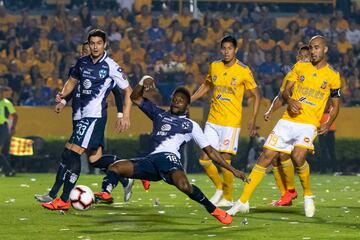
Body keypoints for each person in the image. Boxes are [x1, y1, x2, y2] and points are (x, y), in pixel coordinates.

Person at [104, 75, 248, 225]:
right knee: (115, 167)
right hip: (150, 160)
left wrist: (232, 169)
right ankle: (105, 193)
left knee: (185, 186)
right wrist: (143, 81)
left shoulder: (190, 125)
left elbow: (211, 151)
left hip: (169, 159)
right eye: (174, 99)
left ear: (187, 106)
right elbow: (135, 98)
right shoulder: (158, 114)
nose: (176, 102)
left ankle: (214, 210)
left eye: (181, 100)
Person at [227, 35, 341, 218]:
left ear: (325, 49)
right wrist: (291, 99)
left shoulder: (333, 76)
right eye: (311, 48)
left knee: (297, 156)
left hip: (309, 123)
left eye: (317, 48)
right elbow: (285, 91)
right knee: (266, 156)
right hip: (288, 120)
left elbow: (336, 105)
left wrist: (327, 123)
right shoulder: (299, 67)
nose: (313, 51)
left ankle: (308, 195)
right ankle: (242, 201)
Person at [41, 29, 133, 210]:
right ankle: (130, 171)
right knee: (93, 159)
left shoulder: (111, 65)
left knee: (72, 153)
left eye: (99, 43)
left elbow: (127, 91)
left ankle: (63, 200)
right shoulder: (82, 62)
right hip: (82, 116)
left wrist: (125, 115)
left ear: (105, 44)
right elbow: (71, 82)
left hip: (94, 117)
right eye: (92, 43)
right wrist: (62, 96)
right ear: (88, 44)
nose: (95, 46)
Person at [191, 36, 261, 207]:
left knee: (225, 160)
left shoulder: (243, 70)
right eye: (224, 48)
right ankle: (220, 189)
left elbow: (256, 95)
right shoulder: (214, 66)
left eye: (230, 48)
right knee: (204, 158)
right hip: (213, 120)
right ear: (220, 50)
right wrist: (190, 98)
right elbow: (207, 85)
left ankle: (228, 198)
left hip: (231, 122)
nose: (226, 51)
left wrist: (252, 119)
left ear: (236, 50)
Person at [263, 45, 311, 206]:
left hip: (306, 123)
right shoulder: (292, 74)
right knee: (277, 156)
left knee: (291, 157)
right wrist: (270, 111)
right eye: (300, 55)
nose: (302, 58)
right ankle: (287, 194)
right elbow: (281, 96)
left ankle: (301, 194)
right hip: (290, 121)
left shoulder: (315, 75)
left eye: (306, 56)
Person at [0, 86, 17, 177]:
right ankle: (7, 170)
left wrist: (13, 127)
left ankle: (9, 170)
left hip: (2, 127)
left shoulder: (6, 103)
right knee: (5, 151)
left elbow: (15, 115)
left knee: (2, 150)